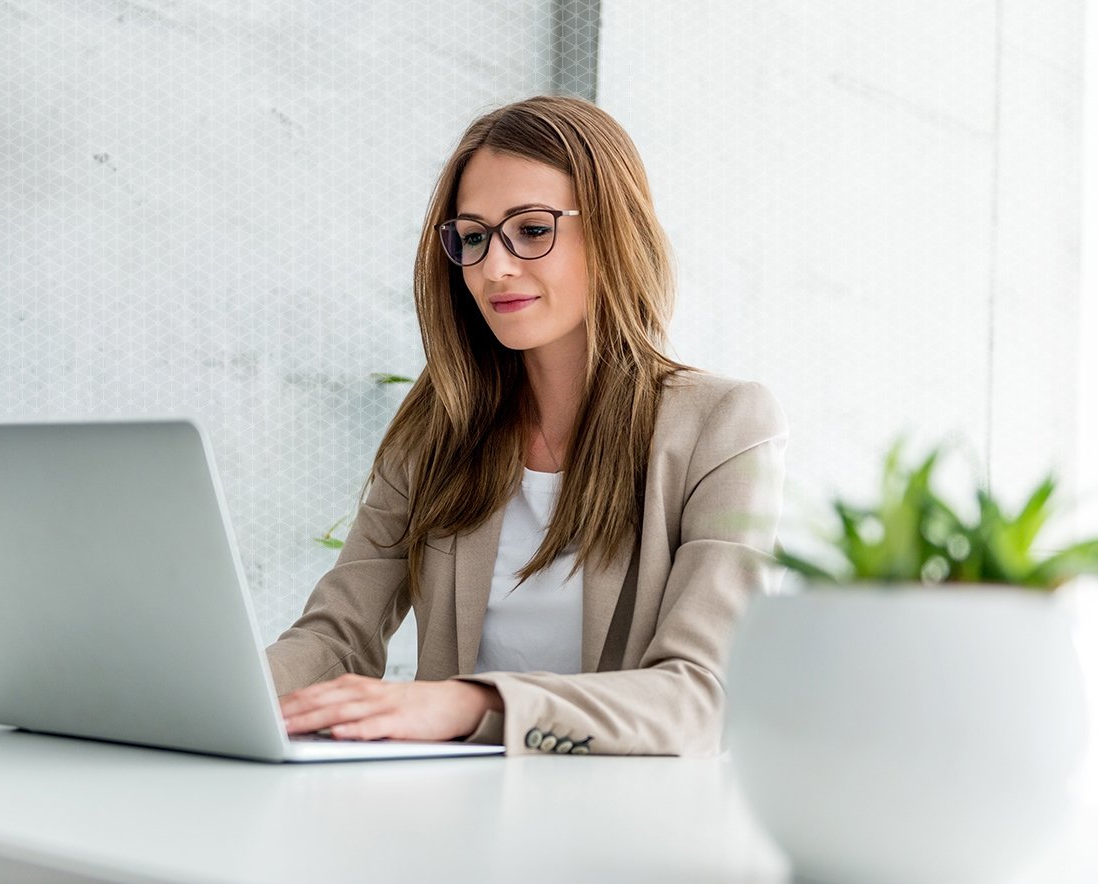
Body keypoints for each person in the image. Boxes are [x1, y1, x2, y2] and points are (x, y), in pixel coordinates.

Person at [265, 95, 788, 757]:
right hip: (453, 813)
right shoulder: (440, 426)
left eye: (533, 230)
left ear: (614, 229)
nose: (494, 268)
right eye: (474, 236)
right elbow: (335, 638)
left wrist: (474, 702)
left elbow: (700, 698)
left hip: (627, 833)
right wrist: (223, 690)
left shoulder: (724, 426)